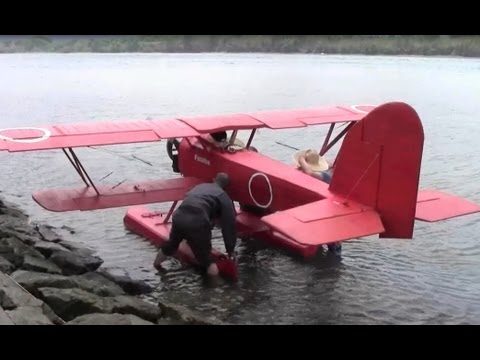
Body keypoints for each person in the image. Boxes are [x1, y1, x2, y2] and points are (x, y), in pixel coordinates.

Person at [153, 172, 237, 277]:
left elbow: (190, 199)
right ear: (226, 187)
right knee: (207, 261)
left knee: (170, 245)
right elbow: (228, 225)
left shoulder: (199, 187)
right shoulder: (223, 196)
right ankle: (214, 289)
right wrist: (230, 251)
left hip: (179, 216)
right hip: (197, 222)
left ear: (214, 179)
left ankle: (156, 266)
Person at [293, 148, 341, 255]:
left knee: (331, 241)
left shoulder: (323, 175)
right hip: (327, 211)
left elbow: (310, 172)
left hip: (325, 212)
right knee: (332, 243)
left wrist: (302, 160)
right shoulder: (330, 172)